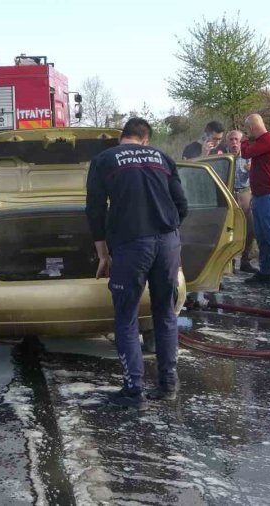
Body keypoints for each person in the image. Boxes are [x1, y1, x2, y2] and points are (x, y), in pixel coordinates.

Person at [86, 117, 188, 409]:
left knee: (127, 317)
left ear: (122, 138)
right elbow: (182, 206)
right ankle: (168, 385)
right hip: (167, 242)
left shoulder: (105, 159)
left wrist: (103, 253)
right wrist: (169, 234)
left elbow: (94, 209)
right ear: (145, 140)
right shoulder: (163, 158)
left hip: (132, 244)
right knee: (165, 313)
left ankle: (134, 392)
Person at [240, 114, 270, 291]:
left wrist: (243, 141)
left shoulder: (269, 139)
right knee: (262, 237)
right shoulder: (263, 142)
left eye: (247, 130)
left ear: (252, 128)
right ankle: (266, 272)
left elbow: (246, 152)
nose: (247, 133)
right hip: (260, 196)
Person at [226, 130, 258, 273]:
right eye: (231, 140)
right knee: (229, 230)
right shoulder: (224, 158)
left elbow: (258, 178)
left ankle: (245, 261)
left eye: (236, 140)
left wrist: (252, 170)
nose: (234, 143)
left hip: (245, 193)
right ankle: (229, 262)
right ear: (227, 142)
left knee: (249, 228)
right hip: (229, 194)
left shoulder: (249, 157)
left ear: (241, 141)